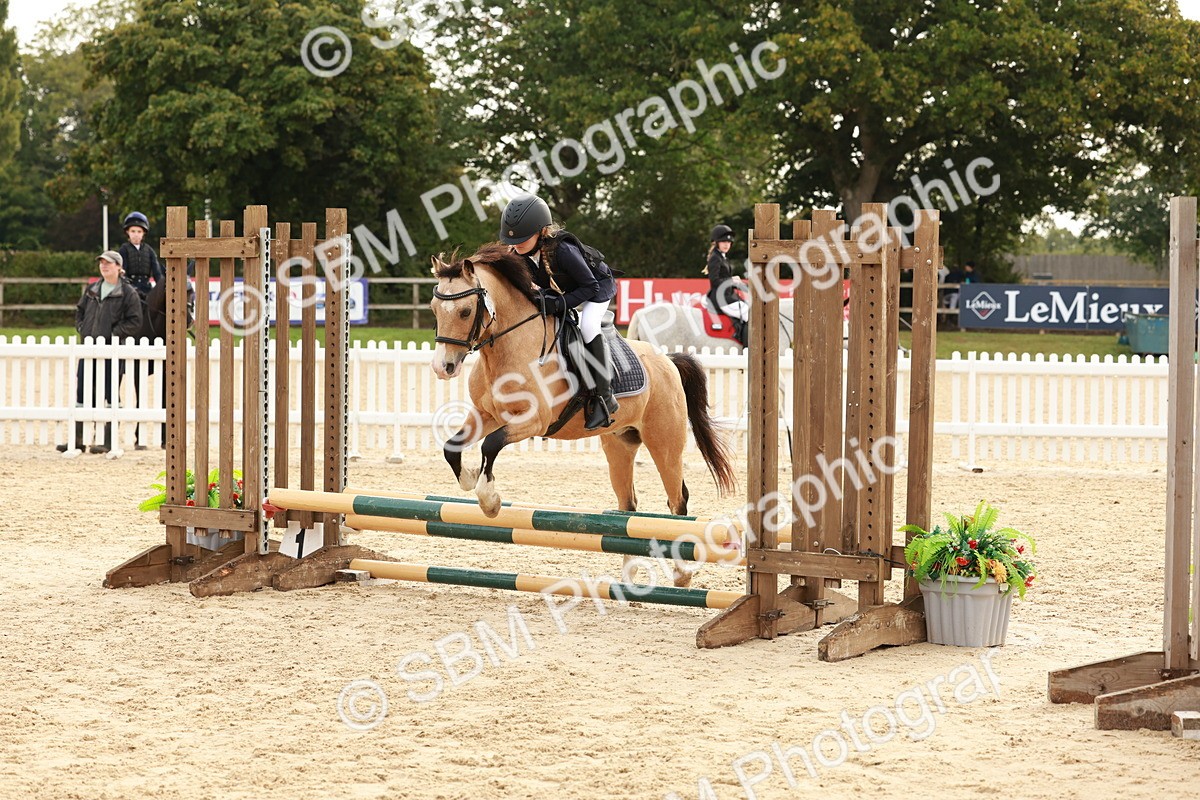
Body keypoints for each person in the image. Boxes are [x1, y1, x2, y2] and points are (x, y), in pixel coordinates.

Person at [498, 193, 618, 430]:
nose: (516, 244)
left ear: (541, 232)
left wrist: (560, 304)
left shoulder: (563, 250)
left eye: (523, 237)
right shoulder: (517, 254)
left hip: (595, 288)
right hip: (564, 290)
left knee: (587, 327)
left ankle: (604, 398)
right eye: (513, 239)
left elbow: (590, 287)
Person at [56, 251, 144, 455]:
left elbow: (135, 321)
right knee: (82, 392)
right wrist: (82, 328)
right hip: (88, 349)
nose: (104, 266)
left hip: (111, 352)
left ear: (119, 267)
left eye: (108, 263)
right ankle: (77, 440)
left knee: (110, 393)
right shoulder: (92, 289)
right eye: (102, 263)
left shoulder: (128, 292)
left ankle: (107, 440)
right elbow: (80, 311)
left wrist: (113, 334)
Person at [704, 224, 748, 346]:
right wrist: (731, 280)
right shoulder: (715, 258)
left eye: (729, 242)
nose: (726, 245)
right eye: (723, 242)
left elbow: (726, 280)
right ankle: (748, 348)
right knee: (749, 314)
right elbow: (715, 281)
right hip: (721, 298)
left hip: (728, 295)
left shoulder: (722, 257)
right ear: (716, 242)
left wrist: (742, 285)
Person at [118, 211, 164, 298]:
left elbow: (157, 273)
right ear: (127, 232)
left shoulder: (149, 250)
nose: (136, 234)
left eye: (139, 232)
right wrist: (131, 288)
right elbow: (122, 273)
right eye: (133, 231)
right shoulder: (123, 249)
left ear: (144, 233)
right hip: (129, 289)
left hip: (147, 289)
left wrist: (162, 287)